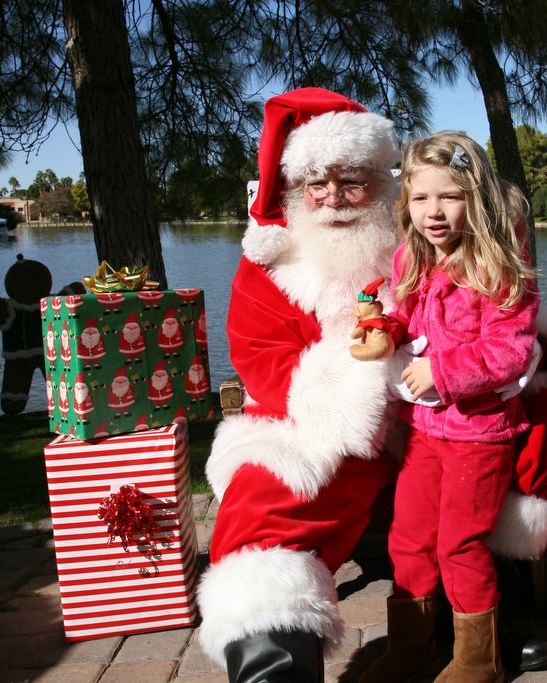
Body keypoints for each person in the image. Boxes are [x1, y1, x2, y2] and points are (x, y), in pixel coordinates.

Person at [196, 87, 403, 682]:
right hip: (313, 414)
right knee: (267, 493)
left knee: (515, 439)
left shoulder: (414, 238)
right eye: (317, 182)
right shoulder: (270, 262)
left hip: (427, 404)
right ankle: (273, 664)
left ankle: (490, 623)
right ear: (295, 187)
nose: (334, 197)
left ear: (381, 181)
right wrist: (352, 390)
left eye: (352, 181)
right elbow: (261, 355)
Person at [359, 132, 540, 683]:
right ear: (406, 202)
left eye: (450, 196)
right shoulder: (410, 258)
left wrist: (443, 369)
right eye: (420, 199)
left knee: (460, 543)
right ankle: (411, 649)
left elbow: (510, 350)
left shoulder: (499, 267)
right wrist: (382, 330)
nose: (433, 212)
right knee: (408, 537)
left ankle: (477, 661)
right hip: (421, 430)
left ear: (476, 198)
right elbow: (408, 323)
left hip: (477, 433)